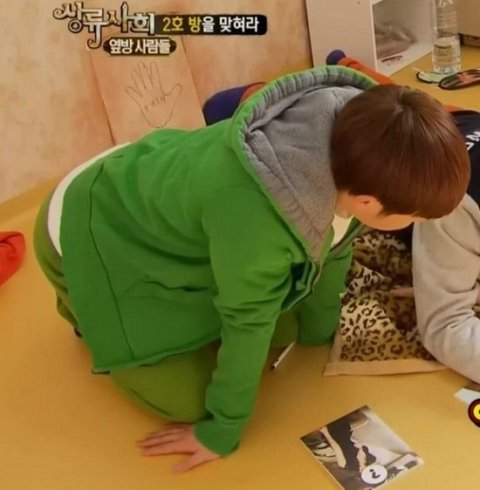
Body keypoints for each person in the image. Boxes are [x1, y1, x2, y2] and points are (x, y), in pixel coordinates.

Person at [33, 64, 469, 473]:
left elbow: (335, 248)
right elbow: (247, 321)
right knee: (191, 401)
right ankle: (80, 305)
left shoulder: (357, 151)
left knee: (282, 324)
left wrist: (320, 331)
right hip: (87, 226)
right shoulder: (260, 222)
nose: (417, 225)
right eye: (414, 217)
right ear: (369, 203)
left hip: (149, 186)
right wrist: (222, 428)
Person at [321, 51, 480, 384]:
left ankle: (346, 62)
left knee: (399, 106)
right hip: (435, 161)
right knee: (365, 120)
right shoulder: (455, 211)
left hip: (454, 124)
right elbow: (446, 327)